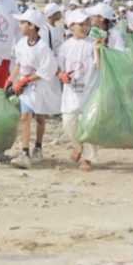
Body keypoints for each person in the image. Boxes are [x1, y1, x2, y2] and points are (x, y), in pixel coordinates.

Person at [6, 9, 61, 169]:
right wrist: (10, 80)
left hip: (40, 86)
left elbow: (47, 70)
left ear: (31, 26)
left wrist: (25, 80)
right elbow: (19, 64)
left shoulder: (42, 48)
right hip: (26, 88)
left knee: (40, 118)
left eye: (23, 23)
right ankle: (24, 152)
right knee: (25, 117)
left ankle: (38, 146)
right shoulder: (21, 43)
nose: (20, 26)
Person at [58, 9, 101, 170]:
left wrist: (98, 49)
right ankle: (78, 147)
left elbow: (100, 66)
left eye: (87, 24)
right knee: (69, 123)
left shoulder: (92, 44)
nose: (84, 27)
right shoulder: (65, 46)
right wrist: (61, 74)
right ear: (71, 26)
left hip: (90, 94)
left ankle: (87, 159)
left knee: (89, 127)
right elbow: (58, 67)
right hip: (71, 95)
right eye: (80, 24)